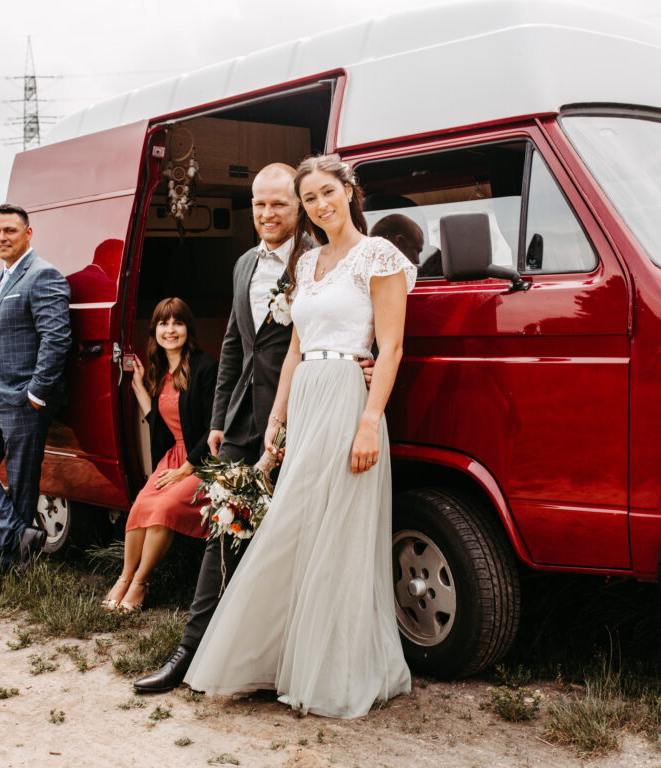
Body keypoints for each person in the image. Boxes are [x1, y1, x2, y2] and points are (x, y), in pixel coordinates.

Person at [184, 155, 415, 718]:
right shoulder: (308, 262)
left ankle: (334, 671)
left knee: (340, 533)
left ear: (349, 191)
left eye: (327, 193)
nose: (320, 205)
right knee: (297, 527)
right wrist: (276, 422)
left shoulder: (379, 256)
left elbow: (392, 348)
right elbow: (292, 348)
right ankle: (277, 658)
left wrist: (368, 424)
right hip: (307, 395)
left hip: (347, 398)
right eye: (309, 198)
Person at [131, 164, 376, 694]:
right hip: (245, 422)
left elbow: (356, 318)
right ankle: (190, 652)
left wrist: (363, 360)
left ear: (301, 206)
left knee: (303, 537)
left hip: (313, 416)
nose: (267, 215)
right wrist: (219, 419)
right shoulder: (243, 265)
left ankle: (290, 660)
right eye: (259, 205)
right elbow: (234, 350)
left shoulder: (322, 257)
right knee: (227, 531)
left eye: (280, 205)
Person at [0, 204, 72, 570]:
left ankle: (11, 563)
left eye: (10, 231)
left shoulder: (44, 276)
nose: (1, 238)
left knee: (22, 485)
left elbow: (57, 339)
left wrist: (35, 394)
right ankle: (20, 537)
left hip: (23, 398)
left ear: (28, 234)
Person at [101, 297, 217, 612]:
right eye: (164, 323)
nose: (170, 330)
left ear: (187, 329)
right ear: (155, 331)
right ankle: (124, 578)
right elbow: (162, 426)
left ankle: (141, 582)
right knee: (142, 506)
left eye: (177, 322)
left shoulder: (206, 368)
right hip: (174, 458)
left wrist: (186, 470)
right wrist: (139, 387)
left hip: (202, 463)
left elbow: (214, 427)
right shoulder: (162, 373)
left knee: (164, 507)